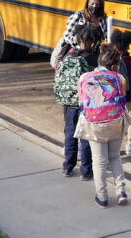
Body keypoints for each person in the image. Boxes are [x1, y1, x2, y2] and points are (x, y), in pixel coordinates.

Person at [75, 44, 128, 208]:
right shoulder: (119, 78)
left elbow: (82, 104)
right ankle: (121, 192)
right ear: (113, 66)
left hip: (95, 125)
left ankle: (103, 197)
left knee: (98, 162)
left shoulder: (84, 78)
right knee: (115, 157)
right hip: (115, 123)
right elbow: (122, 102)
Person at [53, 25, 98, 180]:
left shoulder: (68, 56)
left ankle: (67, 167)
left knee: (70, 134)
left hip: (69, 102)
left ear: (78, 40)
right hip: (85, 104)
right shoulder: (92, 59)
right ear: (92, 42)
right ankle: (86, 171)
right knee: (85, 136)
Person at [50, 0, 107, 70]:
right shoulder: (78, 16)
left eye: (97, 5)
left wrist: (95, 44)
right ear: (87, 4)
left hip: (94, 55)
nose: (94, 6)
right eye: (92, 4)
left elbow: (104, 36)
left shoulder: (102, 19)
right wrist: (77, 40)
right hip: (76, 54)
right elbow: (66, 36)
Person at [111, 29, 131, 155]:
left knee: (116, 119)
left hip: (114, 96)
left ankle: (114, 145)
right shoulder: (129, 60)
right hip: (129, 95)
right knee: (130, 119)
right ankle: (130, 144)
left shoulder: (112, 58)